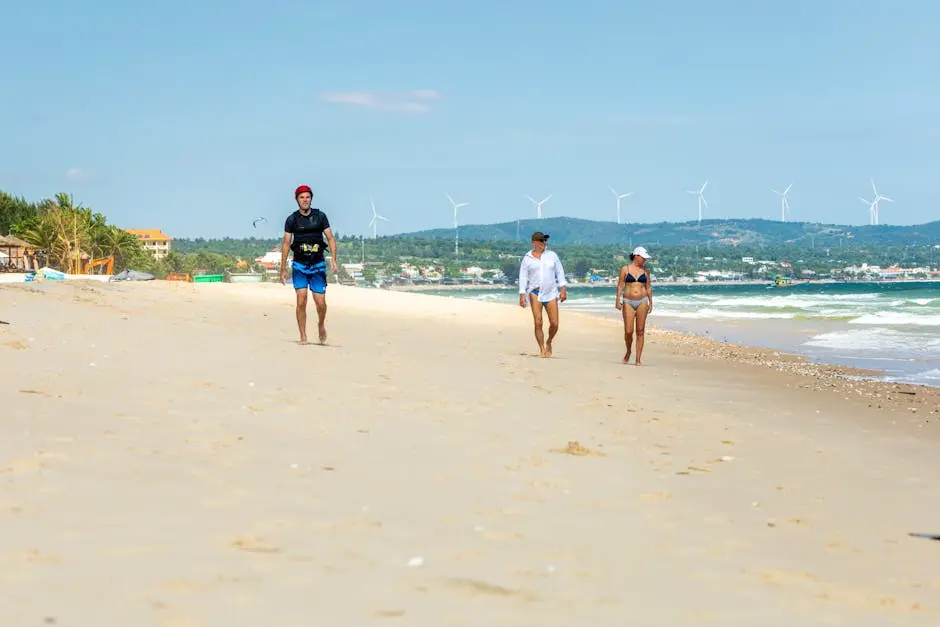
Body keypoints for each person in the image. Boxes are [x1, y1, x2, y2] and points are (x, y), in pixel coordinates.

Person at [280, 185, 338, 345]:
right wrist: (283, 268)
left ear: (311, 198)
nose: (305, 200)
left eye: (307, 197)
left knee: (321, 303)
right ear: (297, 200)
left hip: (318, 264)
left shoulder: (321, 217)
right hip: (299, 264)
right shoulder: (291, 219)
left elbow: (331, 238)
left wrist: (333, 259)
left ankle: (320, 324)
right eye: (301, 197)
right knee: (301, 299)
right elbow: (286, 243)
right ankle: (303, 336)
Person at [518, 231, 568, 357]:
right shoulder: (527, 258)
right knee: (538, 322)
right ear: (534, 242)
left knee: (555, 324)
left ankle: (549, 341)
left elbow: (560, 272)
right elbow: (523, 276)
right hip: (535, 292)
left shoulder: (552, 255)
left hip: (551, 292)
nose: (544, 243)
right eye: (541, 241)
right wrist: (522, 294)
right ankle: (541, 348)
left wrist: (563, 289)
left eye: (545, 241)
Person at [615, 246, 653, 365]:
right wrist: (617, 300)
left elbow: (648, 287)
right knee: (628, 331)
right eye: (643, 258)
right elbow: (620, 285)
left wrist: (651, 302)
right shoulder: (625, 269)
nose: (645, 260)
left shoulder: (646, 271)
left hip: (642, 301)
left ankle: (638, 359)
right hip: (628, 301)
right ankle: (628, 351)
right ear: (636, 256)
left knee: (640, 331)